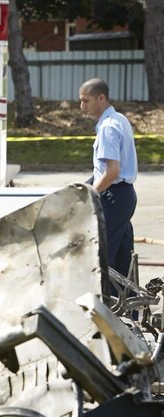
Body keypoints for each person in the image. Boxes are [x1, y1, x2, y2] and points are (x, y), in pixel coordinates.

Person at [79, 78, 138, 276]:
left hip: (113, 196)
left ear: (101, 98)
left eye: (86, 101)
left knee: (103, 256)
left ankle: (107, 304)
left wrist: (91, 194)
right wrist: (86, 185)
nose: (82, 106)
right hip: (124, 196)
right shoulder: (119, 119)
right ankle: (130, 306)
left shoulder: (107, 127)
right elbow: (103, 170)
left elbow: (112, 172)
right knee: (122, 256)